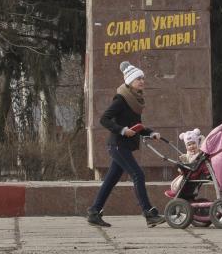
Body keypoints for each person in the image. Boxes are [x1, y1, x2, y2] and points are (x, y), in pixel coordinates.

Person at [86, 61, 166, 228]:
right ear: (130, 81)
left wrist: (150, 133)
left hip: (123, 146)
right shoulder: (121, 99)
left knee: (110, 181)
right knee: (138, 175)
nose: (142, 81)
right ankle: (149, 213)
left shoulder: (136, 101)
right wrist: (122, 130)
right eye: (138, 79)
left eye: (143, 78)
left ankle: (94, 212)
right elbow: (104, 119)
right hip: (117, 145)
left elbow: (137, 125)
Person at [169, 127, 204, 194]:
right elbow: (187, 159)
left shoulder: (199, 153)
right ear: (186, 147)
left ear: (197, 143)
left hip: (192, 172)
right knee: (177, 179)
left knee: (180, 181)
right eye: (189, 145)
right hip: (189, 172)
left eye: (193, 143)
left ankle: (176, 191)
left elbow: (202, 139)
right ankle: (178, 190)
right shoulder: (188, 154)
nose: (191, 146)